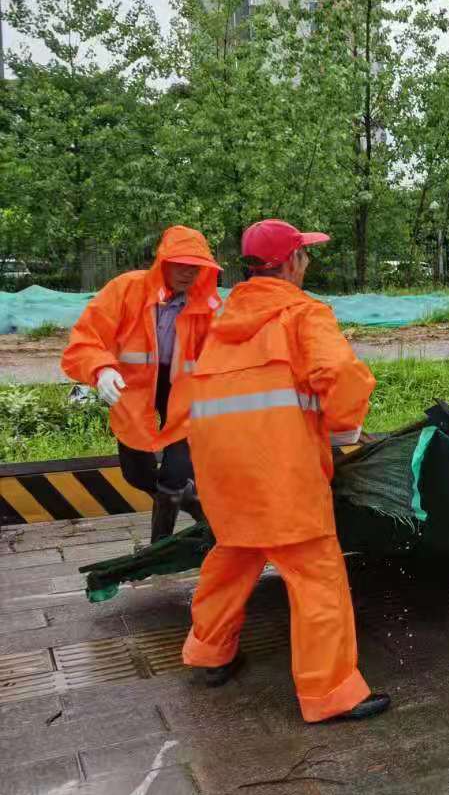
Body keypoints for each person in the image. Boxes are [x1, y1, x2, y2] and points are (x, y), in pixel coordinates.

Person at [181, 219, 389, 723]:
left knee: (232, 555)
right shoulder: (303, 313)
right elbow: (339, 376)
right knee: (316, 575)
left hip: (222, 470)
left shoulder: (220, 324)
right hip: (280, 473)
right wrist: (343, 435)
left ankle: (209, 654)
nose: (309, 262)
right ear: (292, 261)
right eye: (305, 254)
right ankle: (331, 693)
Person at [62, 226, 222, 543]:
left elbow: (223, 354)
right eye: (180, 263)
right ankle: (191, 501)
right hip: (133, 389)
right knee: (136, 474)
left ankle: (158, 547)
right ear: (162, 261)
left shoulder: (208, 306)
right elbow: (84, 340)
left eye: (196, 266)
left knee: (175, 476)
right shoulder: (126, 289)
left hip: (185, 393)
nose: (188, 273)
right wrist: (101, 369)